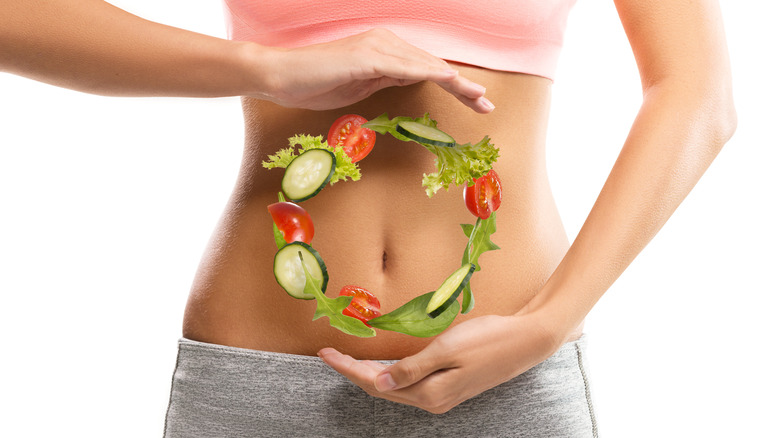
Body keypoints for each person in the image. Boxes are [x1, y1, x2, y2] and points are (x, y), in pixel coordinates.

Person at [1, 0, 736, 436]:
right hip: (257, 378)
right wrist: (267, 67)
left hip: (507, 374)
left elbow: (697, 91)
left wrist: (548, 324)